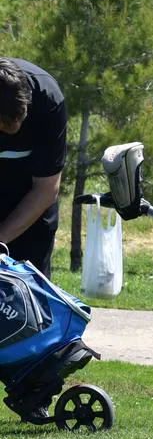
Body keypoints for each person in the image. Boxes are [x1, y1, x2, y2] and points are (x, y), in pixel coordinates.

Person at [0, 58, 68, 278]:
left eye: (18, 119)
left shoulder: (48, 100)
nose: (13, 129)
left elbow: (46, 189)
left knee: (27, 299)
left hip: (32, 212)